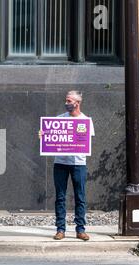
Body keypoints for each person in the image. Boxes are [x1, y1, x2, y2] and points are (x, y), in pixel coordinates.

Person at [41, 91, 95, 241]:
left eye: (69, 100)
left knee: (80, 197)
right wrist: (43, 135)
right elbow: (49, 135)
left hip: (78, 164)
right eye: (66, 100)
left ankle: (80, 229)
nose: (66, 103)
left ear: (77, 103)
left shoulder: (86, 121)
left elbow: (87, 141)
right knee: (60, 197)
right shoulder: (59, 119)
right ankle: (60, 229)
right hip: (61, 163)